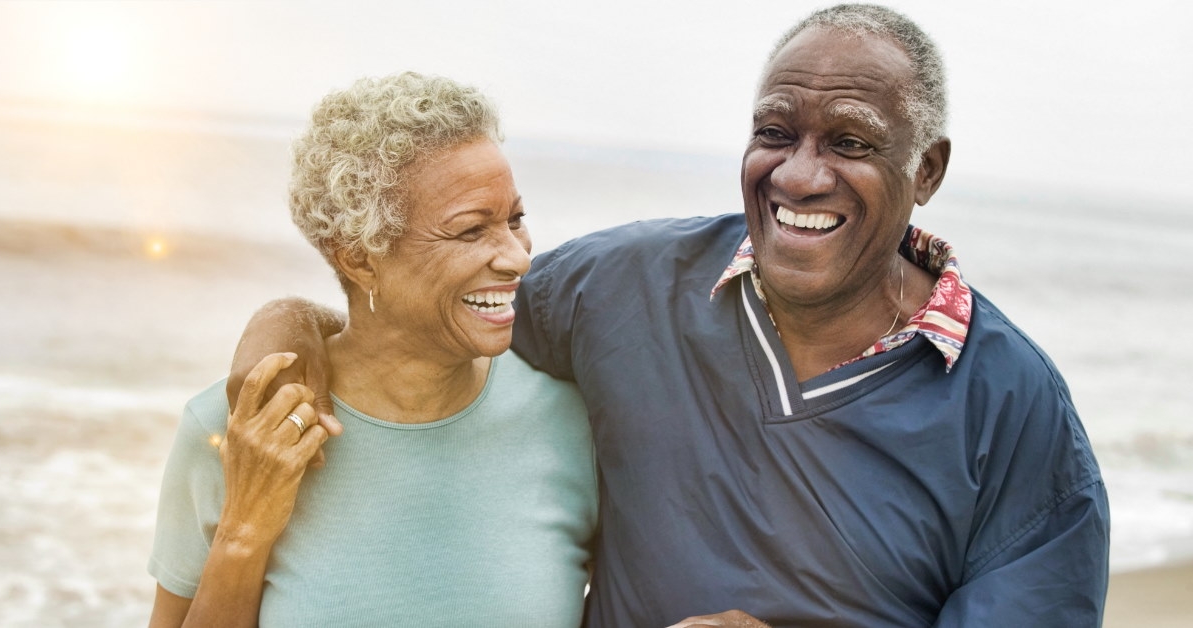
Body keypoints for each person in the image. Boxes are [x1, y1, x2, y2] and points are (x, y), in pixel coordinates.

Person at [228, 5, 1110, 626]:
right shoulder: (627, 285)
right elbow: (433, 310)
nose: (801, 174)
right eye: (776, 132)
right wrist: (285, 328)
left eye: (850, 142)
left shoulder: (1015, 408)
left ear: (927, 172)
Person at [147, 73, 597, 627]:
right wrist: (243, 533)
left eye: (515, 220)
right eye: (470, 230)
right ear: (359, 258)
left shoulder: (572, 424)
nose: (518, 258)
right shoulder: (235, 430)